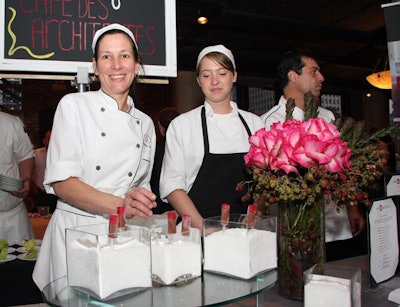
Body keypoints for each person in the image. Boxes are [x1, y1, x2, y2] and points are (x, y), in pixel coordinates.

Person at [33, 23, 157, 290]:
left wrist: (139, 199)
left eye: (124, 55)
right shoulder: (73, 106)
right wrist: (122, 204)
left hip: (123, 235)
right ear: (95, 66)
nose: (116, 65)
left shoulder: (145, 123)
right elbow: (63, 183)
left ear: (136, 65)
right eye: (106, 57)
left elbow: (140, 185)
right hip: (76, 232)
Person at [261, 49, 366, 260]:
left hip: (334, 225)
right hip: (296, 228)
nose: (321, 78)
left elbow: (344, 165)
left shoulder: (327, 117)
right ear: (293, 76)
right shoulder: (270, 122)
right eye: (314, 72)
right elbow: (264, 181)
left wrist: (353, 206)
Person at [159, 44, 264, 229]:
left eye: (222, 73)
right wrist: (205, 230)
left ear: (234, 76)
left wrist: (256, 213)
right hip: (195, 231)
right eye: (207, 75)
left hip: (245, 231)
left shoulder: (256, 124)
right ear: (199, 80)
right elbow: (172, 186)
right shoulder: (182, 126)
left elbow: (265, 181)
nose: (214, 81)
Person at [0, 111, 35, 245]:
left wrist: (25, 180)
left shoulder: (11, 122)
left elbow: (26, 155)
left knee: (18, 265)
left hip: (12, 218)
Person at [150, 107, 180, 214]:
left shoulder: (153, 150)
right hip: (183, 206)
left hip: (157, 207)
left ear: (160, 126)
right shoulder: (188, 148)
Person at [31, 130, 58, 213]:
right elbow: (29, 172)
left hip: (56, 192)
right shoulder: (35, 154)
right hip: (39, 193)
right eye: (49, 138)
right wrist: (34, 189)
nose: (51, 140)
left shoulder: (61, 156)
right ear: (44, 140)